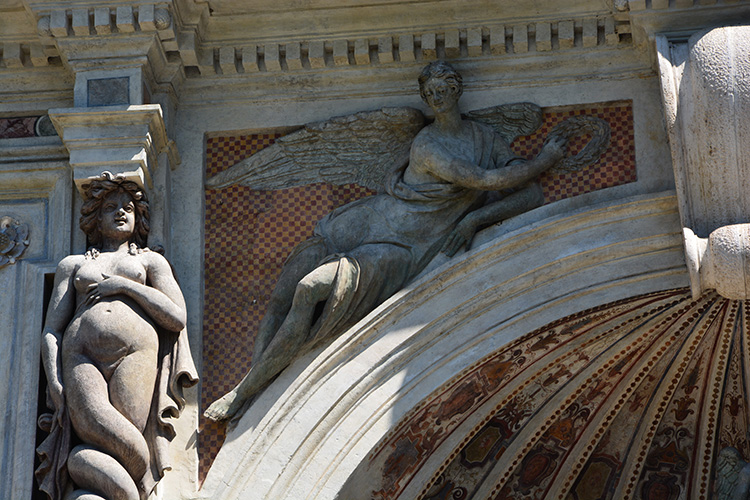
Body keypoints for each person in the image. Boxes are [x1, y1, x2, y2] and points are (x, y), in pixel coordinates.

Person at [204, 61, 565, 422]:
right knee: (281, 295)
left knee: (309, 289)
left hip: (399, 248)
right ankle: (253, 386)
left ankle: (243, 393)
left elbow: (528, 195)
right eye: (429, 93)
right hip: (363, 221)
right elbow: (483, 179)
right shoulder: (425, 142)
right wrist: (546, 159)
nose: (435, 99)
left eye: (442, 90)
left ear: (457, 90)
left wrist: (474, 219)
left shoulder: (485, 140)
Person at [36, 173, 198, 500]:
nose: (121, 212)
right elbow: (52, 329)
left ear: (139, 218)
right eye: (110, 207)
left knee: (126, 438)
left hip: (135, 355)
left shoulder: (150, 261)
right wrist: (54, 380)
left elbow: (176, 316)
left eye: (128, 207)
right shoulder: (74, 264)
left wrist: (125, 286)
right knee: (90, 433)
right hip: (80, 356)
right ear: (96, 217)